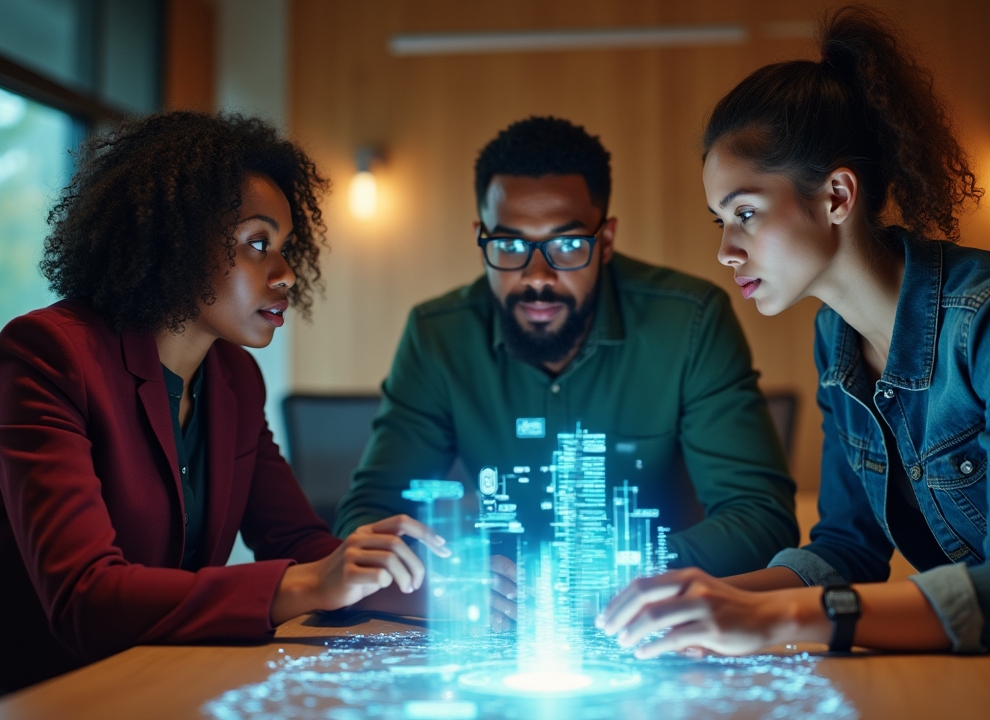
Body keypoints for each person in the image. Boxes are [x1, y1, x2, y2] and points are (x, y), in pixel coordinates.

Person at [597, 7, 990, 684]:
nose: (725, 250)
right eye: (720, 220)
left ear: (835, 195)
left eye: (745, 213)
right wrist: (719, 599)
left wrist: (773, 620)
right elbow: (847, 549)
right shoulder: (836, 336)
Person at [0, 112, 449, 690]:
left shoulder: (235, 379)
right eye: (257, 243)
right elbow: (85, 598)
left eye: (287, 247)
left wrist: (438, 590)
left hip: (135, 671)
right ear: (174, 242)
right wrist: (309, 583)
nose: (286, 274)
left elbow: (298, 542)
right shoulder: (49, 352)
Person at [334, 117, 799, 627]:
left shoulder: (689, 320)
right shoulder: (436, 335)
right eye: (509, 246)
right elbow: (367, 520)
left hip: (650, 622)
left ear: (605, 241)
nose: (537, 277)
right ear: (480, 238)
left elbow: (761, 519)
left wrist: (627, 572)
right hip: (490, 626)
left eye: (567, 244)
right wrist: (451, 580)